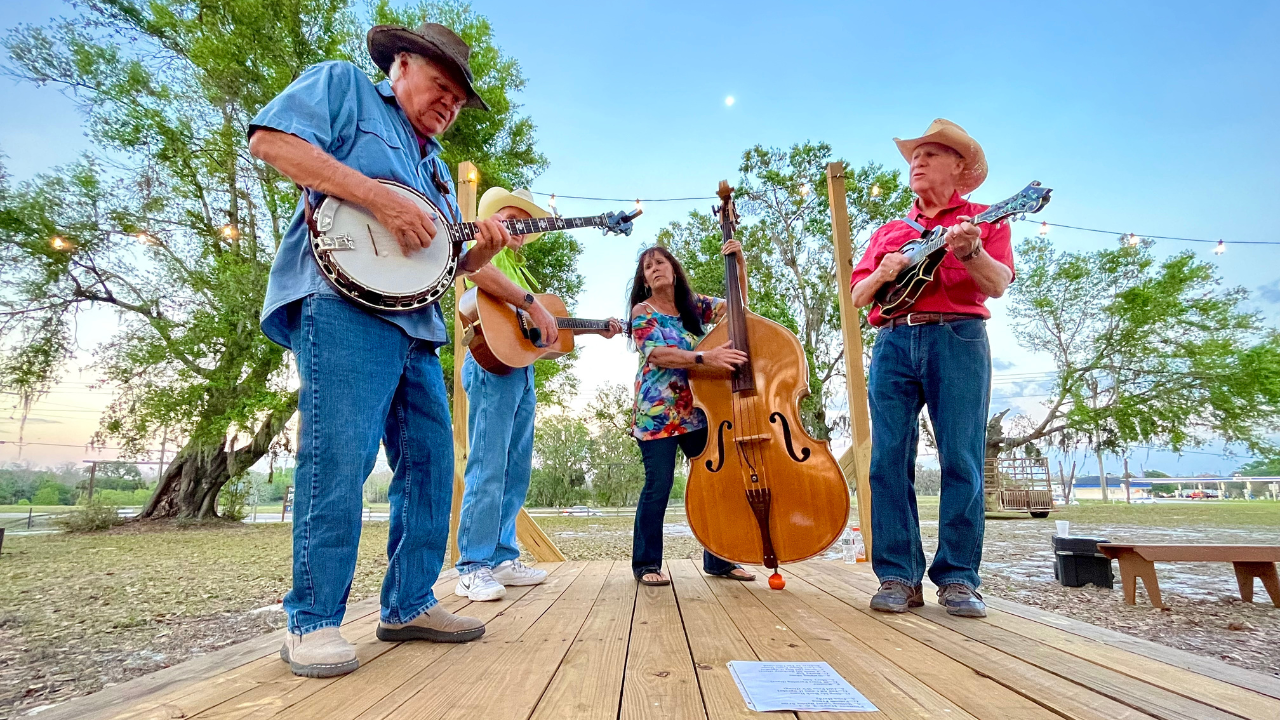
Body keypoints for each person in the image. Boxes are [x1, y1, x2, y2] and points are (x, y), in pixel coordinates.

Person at [247, 22, 512, 677]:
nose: (449, 103)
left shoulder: (438, 172)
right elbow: (270, 141)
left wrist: (484, 245)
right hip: (340, 307)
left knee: (430, 465)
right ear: (400, 66)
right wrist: (373, 198)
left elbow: (448, 261)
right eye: (440, 86)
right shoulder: (344, 87)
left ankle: (409, 604)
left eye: (459, 98)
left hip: (418, 327)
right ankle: (311, 623)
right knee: (338, 460)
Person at [849, 119, 1014, 618]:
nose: (917, 161)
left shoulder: (985, 219)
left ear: (960, 168)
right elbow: (858, 297)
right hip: (894, 340)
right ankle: (897, 575)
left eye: (932, 154)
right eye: (915, 155)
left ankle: (959, 578)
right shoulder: (889, 232)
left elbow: (999, 283)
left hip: (958, 337)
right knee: (886, 461)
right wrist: (884, 269)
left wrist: (973, 251)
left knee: (961, 457)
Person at [454, 187, 622, 600]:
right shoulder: (484, 250)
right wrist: (531, 304)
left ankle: (502, 557)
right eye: (509, 216)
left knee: (515, 469)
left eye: (522, 222)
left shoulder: (519, 270)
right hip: (490, 365)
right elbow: (473, 274)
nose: (516, 226)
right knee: (488, 465)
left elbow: (544, 329)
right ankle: (472, 565)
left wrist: (596, 328)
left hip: (521, 371)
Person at [627, 242, 757, 585]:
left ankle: (720, 560)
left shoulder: (693, 306)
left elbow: (737, 311)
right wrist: (706, 358)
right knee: (659, 484)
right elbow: (656, 353)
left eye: (659, 262)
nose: (654, 268)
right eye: (647, 267)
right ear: (644, 280)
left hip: (698, 409)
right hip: (657, 412)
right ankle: (647, 565)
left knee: (717, 479)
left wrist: (739, 265)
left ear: (673, 269)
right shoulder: (642, 311)